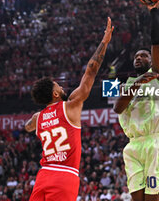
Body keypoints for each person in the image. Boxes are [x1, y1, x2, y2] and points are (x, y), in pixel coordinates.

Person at [25, 17, 114, 200]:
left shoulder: (38, 117)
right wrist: (104, 43)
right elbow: (90, 71)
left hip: (43, 175)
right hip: (65, 175)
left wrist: (35, 122)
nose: (62, 87)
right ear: (55, 94)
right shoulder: (71, 105)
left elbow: (27, 126)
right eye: (58, 86)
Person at [113, 0, 159, 201]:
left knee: (152, 199)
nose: (139, 57)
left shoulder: (157, 74)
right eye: (136, 56)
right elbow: (118, 108)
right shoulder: (127, 85)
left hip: (155, 142)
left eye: (143, 55)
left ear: (150, 60)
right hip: (133, 145)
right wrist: (139, 83)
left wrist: (154, 12)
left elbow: (157, 43)